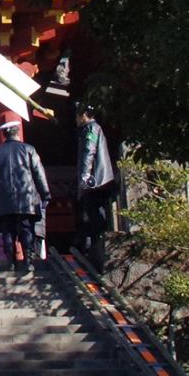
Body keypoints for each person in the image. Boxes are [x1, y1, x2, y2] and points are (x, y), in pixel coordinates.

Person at [0, 119, 51, 274]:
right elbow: (39, 173)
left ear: (4, 134)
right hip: (26, 199)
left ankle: (10, 261)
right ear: (18, 133)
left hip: (4, 200)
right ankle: (28, 261)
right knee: (26, 230)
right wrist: (45, 193)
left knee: (8, 231)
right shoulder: (29, 149)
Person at [76, 103, 118, 268]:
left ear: (84, 115)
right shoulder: (94, 129)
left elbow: (89, 151)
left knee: (94, 218)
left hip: (96, 182)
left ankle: (95, 251)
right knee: (95, 217)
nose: (76, 119)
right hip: (100, 181)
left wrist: (85, 176)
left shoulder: (91, 129)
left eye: (78, 115)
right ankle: (95, 250)